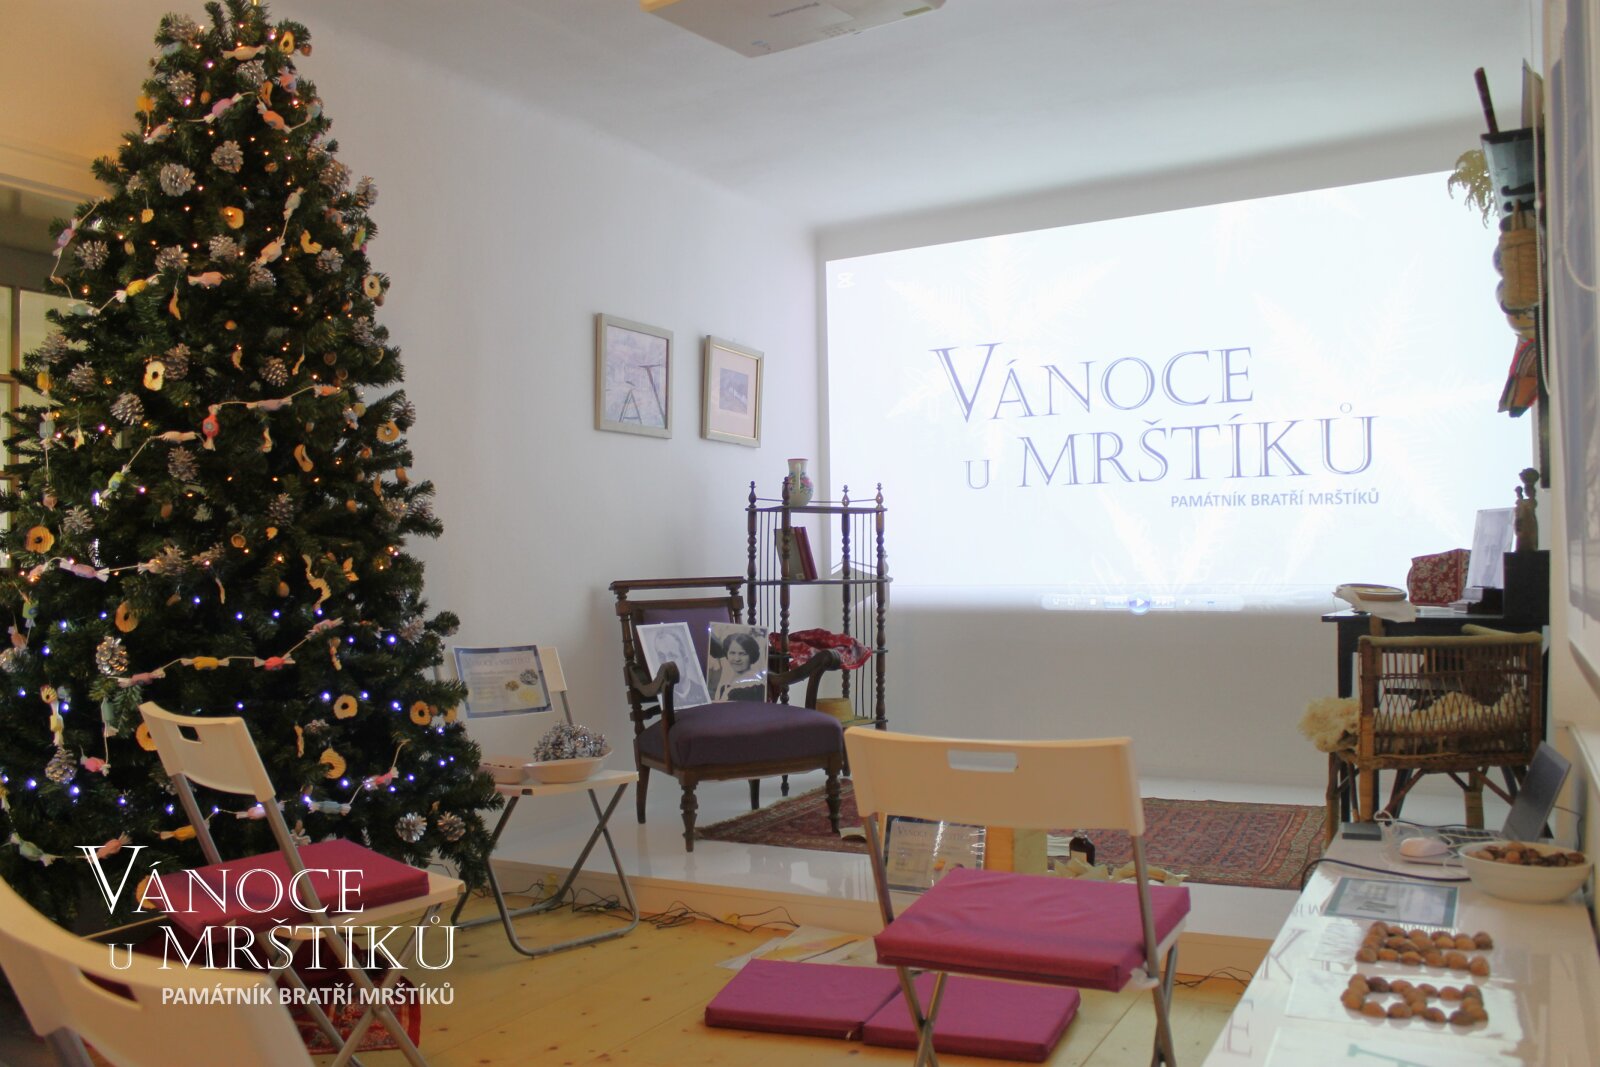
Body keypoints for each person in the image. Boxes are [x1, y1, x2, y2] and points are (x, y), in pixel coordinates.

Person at [643, 627, 710, 707]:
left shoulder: (702, 691)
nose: (667, 662)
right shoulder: (660, 695)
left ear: (685, 661)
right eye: (662, 656)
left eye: (672, 655)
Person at [711, 631, 766, 703]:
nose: (737, 659)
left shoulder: (755, 688)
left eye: (742, 654)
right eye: (732, 653)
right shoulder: (725, 686)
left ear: (751, 655)